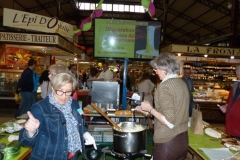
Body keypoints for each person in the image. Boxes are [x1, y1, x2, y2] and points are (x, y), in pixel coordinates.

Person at [19, 73, 96, 160]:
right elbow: (24, 141)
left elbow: (79, 123)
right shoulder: (40, 108)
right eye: (60, 91)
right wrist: (30, 132)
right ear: (53, 88)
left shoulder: (75, 104)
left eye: (68, 92)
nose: (64, 96)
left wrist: (85, 134)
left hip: (72, 156)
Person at [135, 52, 190, 160]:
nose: (155, 72)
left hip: (168, 142)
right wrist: (148, 112)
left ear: (165, 69)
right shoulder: (181, 83)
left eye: (156, 69)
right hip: (183, 140)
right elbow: (174, 111)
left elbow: (169, 121)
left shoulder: (164, 86)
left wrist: (150, 108)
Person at [219, 64, 240, 140]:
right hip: (231, 126)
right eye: (237, 70)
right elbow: (229, 102)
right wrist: (226, 106)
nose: (238, 72)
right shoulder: (235, 86)